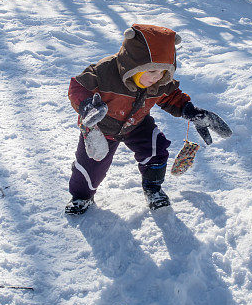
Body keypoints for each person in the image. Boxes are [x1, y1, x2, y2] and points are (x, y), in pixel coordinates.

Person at [65, 24, 232, 215]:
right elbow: (78, 85)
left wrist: (191, 111)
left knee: (156, 150)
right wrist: (87, 106)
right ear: (134, 64)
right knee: (91, 164)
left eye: (163, 72)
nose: (157, 77)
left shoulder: (159, 82)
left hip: (136, 123)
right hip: (100, 126)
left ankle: (153, 189)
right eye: (152, 71)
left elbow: (171, 96)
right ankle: (81, 197)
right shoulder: (105, 71)